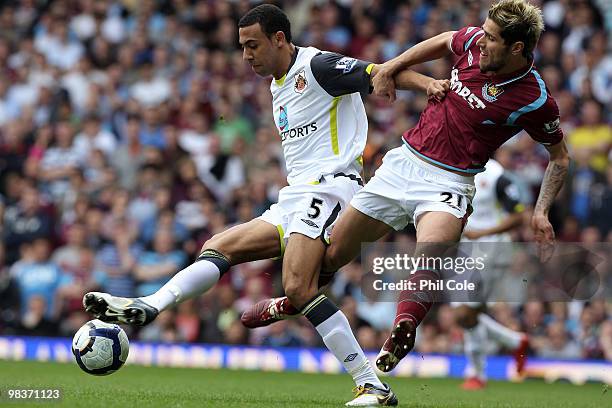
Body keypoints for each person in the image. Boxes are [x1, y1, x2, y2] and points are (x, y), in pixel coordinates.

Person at [83, 4, 448, 406]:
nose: (246, 56)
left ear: (279, 39)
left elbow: (378, 71)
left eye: (253, 45)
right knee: (221, 245)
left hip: (330, 189)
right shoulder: (277, 83)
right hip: (296, 195)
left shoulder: (318, 67)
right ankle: (151, 305)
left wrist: (428, 84)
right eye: (242, 47)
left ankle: (372, 384)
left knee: (298, 285)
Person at [242, 0, 570, 374]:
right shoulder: (474, 42)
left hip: (452, 180)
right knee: (331, 259)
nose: (480, 42)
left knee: (431, 252)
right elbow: (446, 39)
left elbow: (559, 156)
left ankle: (404, 326)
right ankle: (289, 303)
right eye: (483, 33)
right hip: (403, 164)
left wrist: (542, 210)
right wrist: (393, 66)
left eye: (492, 39)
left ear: (516, 48)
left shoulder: (535, 99)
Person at [452, 159, 531, 389]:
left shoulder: (497, 176)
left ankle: (477, 374)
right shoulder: (454, 167)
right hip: (464, 250)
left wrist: (482, 232)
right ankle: (516, 341)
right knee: (463, 314)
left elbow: (519, 216)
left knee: (467, 313)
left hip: (492, 250)